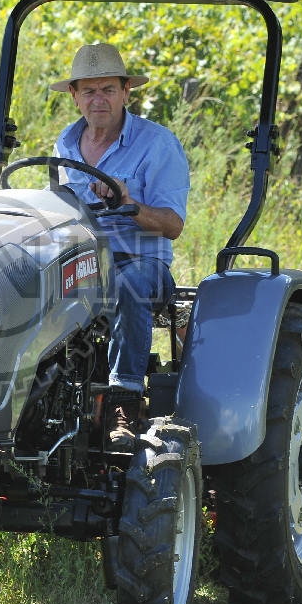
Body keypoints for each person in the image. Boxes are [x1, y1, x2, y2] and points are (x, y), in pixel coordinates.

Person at [49, 43, 190, 448]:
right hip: (81, 260)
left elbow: (172, 224)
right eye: (89, 91)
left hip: (139, 262)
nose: (99, 100)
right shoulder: (65, 144)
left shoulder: (157, 144)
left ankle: (123, 402)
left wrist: (129, 204)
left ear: (126, 91)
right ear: (74, 95)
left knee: (130, 284)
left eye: (108, 89)